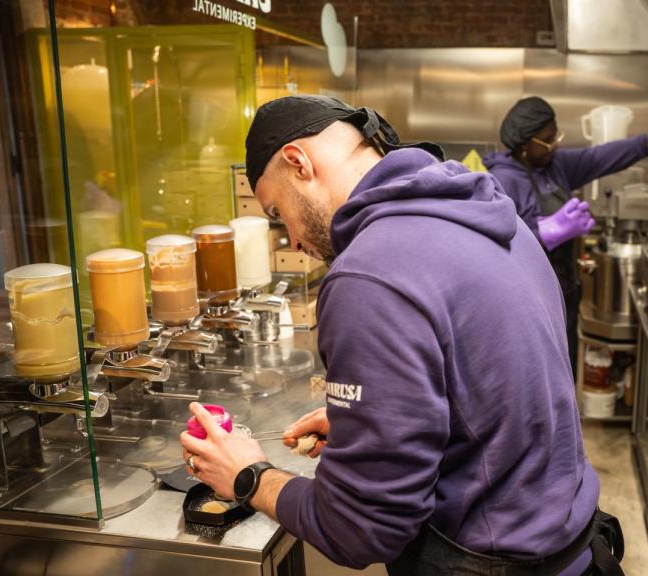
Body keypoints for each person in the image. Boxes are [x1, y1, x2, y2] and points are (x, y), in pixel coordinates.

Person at [179, 95, 624, 575]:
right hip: (577, 553)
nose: (293, 240)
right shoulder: (494, 214)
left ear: (298, 162)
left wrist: (248, 476)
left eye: (276, 212)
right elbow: (506, 390)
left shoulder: (368, 275)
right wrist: (390, 413)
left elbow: (360, 527)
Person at [484, 97, 648, 373]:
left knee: (563, 370)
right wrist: (548, 233)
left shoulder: (555, 166)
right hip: (528, 303)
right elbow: (495, 247)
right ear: (524, 145)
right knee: (534, 373)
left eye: (555, 135)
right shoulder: (502, 181)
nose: (555, 144)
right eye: (547, 140)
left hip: (563, 292)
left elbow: (605, 156)